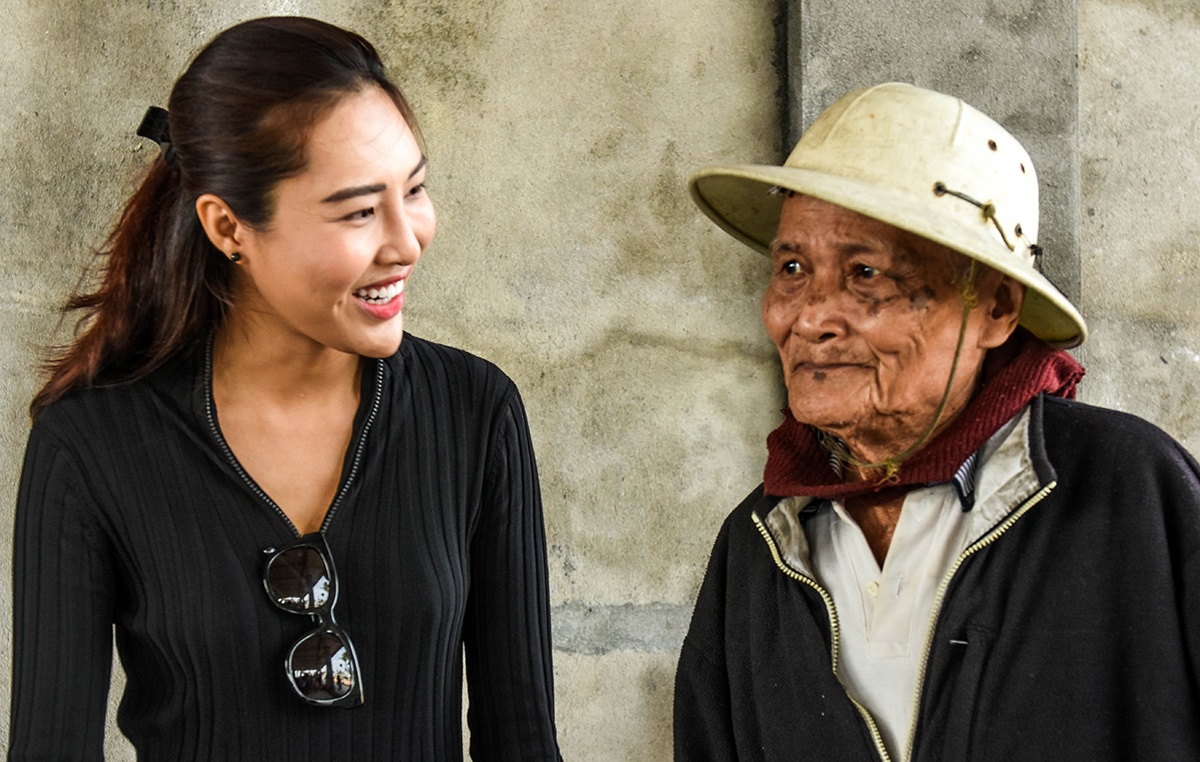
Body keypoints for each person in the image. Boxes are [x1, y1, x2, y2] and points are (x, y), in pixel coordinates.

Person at [9, 17, 561, 760]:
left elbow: (523, 743)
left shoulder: (475, 411)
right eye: (359, 210)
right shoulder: (90, 444)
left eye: (416, 189)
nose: (407, 241)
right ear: (229, 226)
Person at [674, 82, 1200, 760]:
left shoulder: (1133, 493)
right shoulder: (760, 543)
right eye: (793, 267)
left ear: (997, 308)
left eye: (865, 273)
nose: (808, 318)